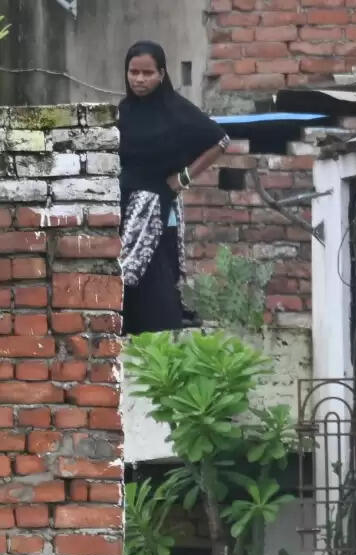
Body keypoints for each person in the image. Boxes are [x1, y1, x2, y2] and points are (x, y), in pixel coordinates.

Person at [118, 41, 230, 335]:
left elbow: (220, 141)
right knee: (121, 276)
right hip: (122, 207)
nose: (139, 79)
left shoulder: (176, 109)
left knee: (154, 274)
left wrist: (183, 178)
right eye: (133, 72)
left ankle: (161, 342)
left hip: (156, 208)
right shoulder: (123, 111)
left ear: (162, 74)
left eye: (147, 73)